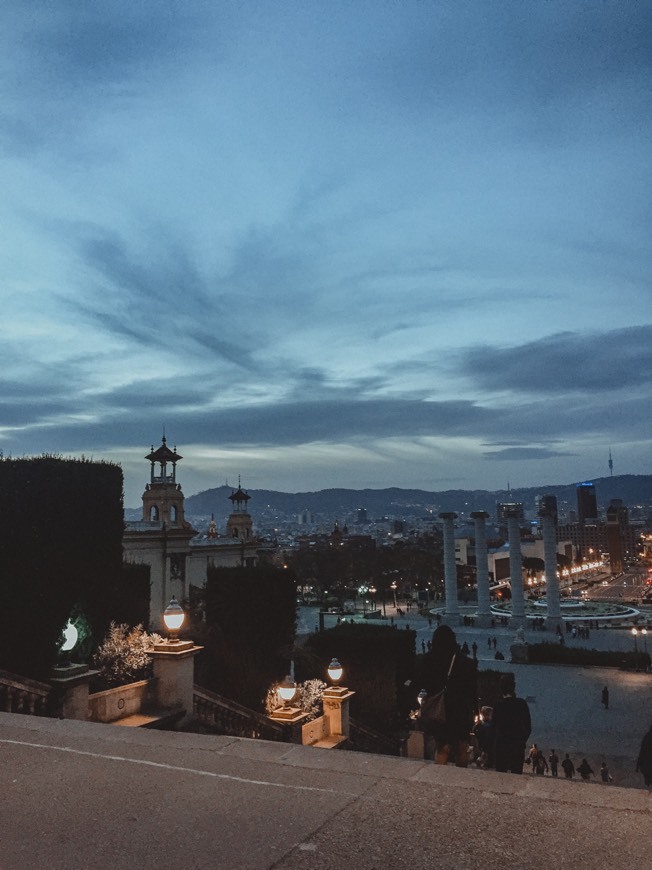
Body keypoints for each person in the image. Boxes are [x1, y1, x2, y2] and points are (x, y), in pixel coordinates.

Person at [421, 624, 478, 767]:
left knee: (442, 748)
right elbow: (472, 691)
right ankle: (459, 779)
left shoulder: (427, 661)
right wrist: (475, 712)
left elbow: (420, 683)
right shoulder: (466, 663)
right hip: (460, 712)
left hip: (440, 713)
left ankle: (440, 778)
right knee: (461, 748)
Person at [492, 673, 531, 774]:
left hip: (501, 745)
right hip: (517, 745)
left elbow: (493, 727)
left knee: (500, 775)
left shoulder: (498, 705)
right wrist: (522, 740)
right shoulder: (521, 704)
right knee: (516, 774)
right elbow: (528, 726)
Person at [636, 723, 652, 788]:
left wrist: (638, 765)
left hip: (646, 766)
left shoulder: (647, 737)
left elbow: (642, 751)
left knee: (648, 782)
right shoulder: (647, 737)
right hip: (647, 765)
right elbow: (642, 751)